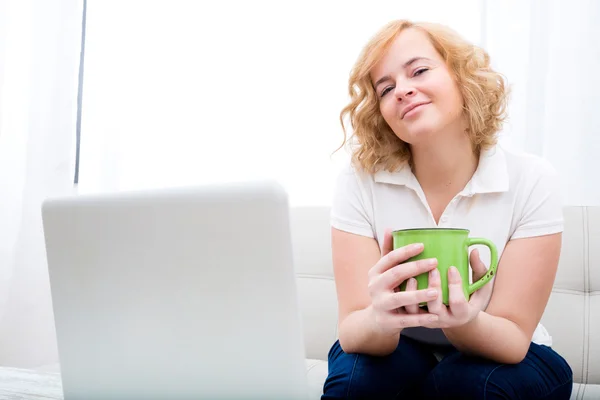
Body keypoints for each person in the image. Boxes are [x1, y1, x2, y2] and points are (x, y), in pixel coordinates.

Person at [323, 19, 573, 399]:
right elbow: (353, 329)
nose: (403, 91)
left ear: (462, 77)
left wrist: (463, 322)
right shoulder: (358, 182)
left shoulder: (531, 178)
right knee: (355, 382)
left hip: (500, 347)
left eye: (419, 70)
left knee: (466, 386)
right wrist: (380, 316)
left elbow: (513, 339)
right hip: (397, 345)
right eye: (386, 88)